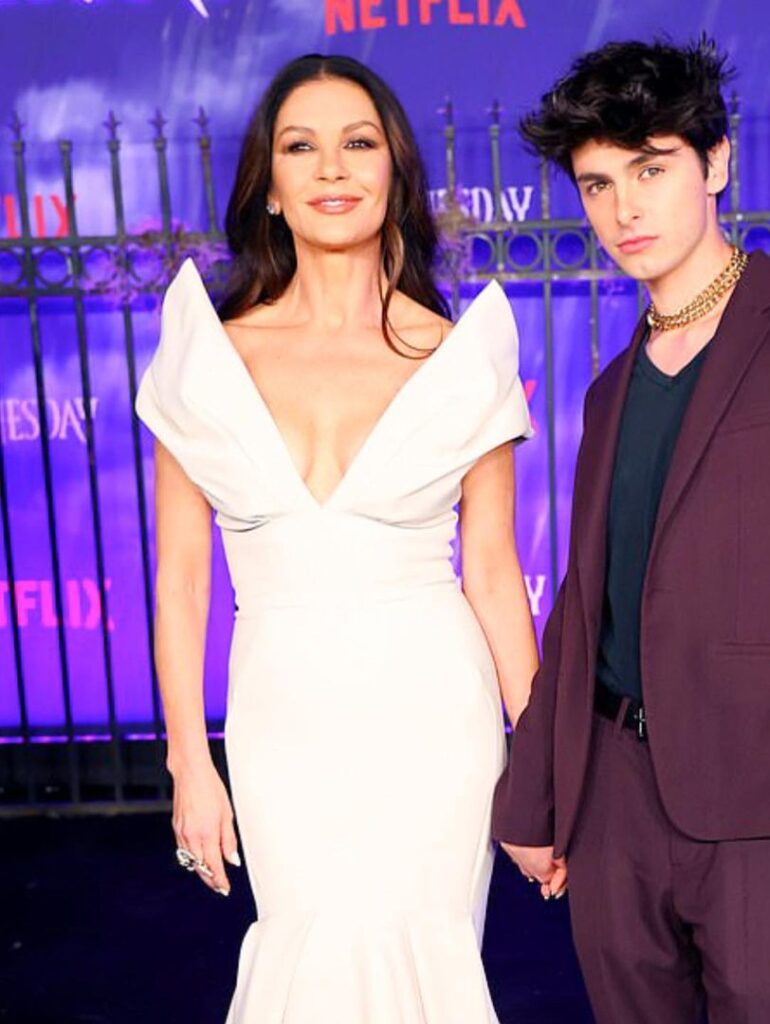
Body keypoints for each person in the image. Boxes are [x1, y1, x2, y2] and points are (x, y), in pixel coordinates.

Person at [493, 37, 770, 1024]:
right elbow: (586, 607)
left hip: (768, 806)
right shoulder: (609, 391)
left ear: (716, 162)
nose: (624, 210)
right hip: (612, 802)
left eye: (651, 169)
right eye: (598, 184)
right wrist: (534, 794)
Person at [136, 53, 538, 1022]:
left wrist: (546, 758)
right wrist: (189, 759)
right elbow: (181, 581)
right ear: (269, 188)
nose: (331, 168)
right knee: (306, 962)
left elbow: (493, 573)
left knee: (428, 963)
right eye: (299, 147)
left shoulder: (460, 357)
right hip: (282, 720)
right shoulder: (207, 358)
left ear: (394, 172)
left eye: (357, 143)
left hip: (435, 716)